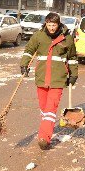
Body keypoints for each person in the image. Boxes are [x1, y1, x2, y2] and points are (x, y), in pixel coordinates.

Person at [20, 12, 78, 150]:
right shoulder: (39, 36)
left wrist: (73, 74)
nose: (51, 28)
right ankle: (46, 128)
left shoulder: (67, 38)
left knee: (51, 109)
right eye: (49, 24)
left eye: (54, 25)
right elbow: (29, 50)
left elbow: (72, 57)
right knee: (44, 108)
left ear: (58, 25)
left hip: (58, 78)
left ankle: (44, 138)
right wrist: (24, 64)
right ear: (46, 23)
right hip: (41, 78)